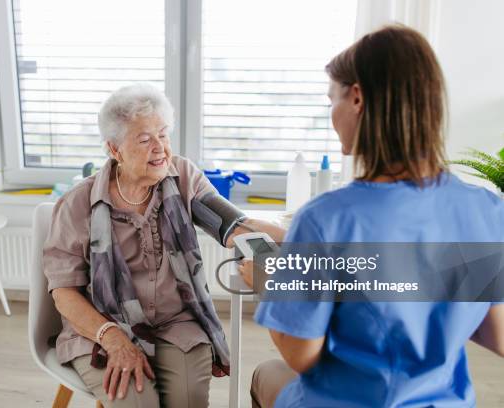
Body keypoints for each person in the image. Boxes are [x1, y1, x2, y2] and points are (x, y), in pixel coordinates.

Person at [240, 25, 504, 407]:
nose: (332, 113)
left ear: (357, 98)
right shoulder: (486, 209)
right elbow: (497, 332)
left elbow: (301, 355)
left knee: (267, 374)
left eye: (332, 98)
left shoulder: (325, 219)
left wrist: (273, 284)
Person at [43, 83, 284, 407]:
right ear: (115, 150)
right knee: (138, 402)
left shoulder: (182, 177)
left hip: (177, 323)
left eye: (164, 134)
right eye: (144, 139)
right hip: (103, 328)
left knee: (189, 400)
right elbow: (63, 292)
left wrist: (302, 230)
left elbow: (234, 226)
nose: (160, 148)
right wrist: (112, 338)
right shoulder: (78, 204)